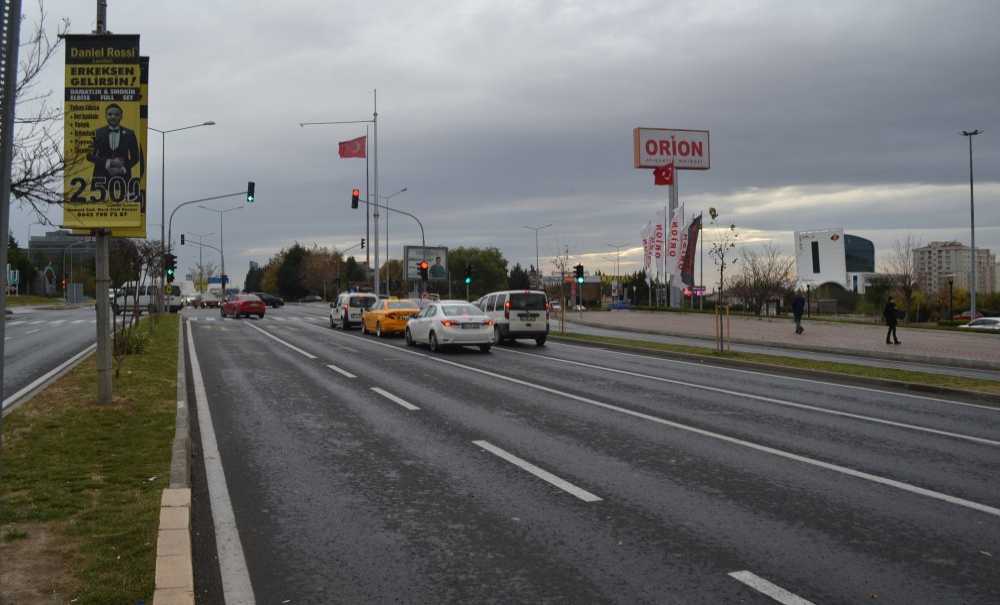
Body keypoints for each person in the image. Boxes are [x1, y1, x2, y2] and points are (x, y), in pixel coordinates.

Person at [88, 103, 141, 185]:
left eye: (116, 114)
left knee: (125, 198)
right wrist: (108, 162)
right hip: (100, 177)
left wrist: (123, 168)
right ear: (106, 116)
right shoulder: (97, 133)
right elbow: (90, 156)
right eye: (110, 114)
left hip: (123, 178)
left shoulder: (130, 134)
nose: (113, 117)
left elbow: (136, 157)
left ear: (121, 116)